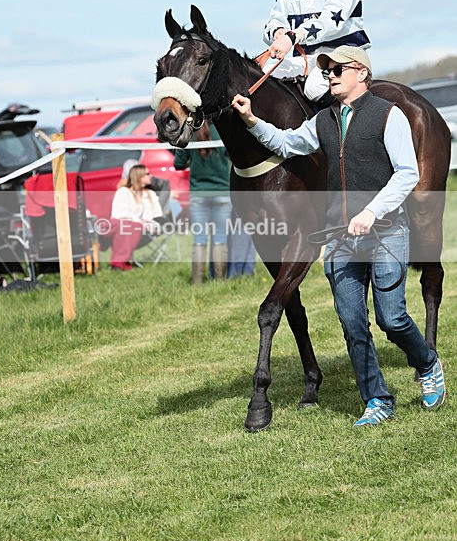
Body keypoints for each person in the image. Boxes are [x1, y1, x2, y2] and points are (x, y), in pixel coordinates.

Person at [231, 46, 446, 426]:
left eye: (336, 68)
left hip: (386, 231)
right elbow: (285, 143)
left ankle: (427, 363)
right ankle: (377, 399)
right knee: (351, 324)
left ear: (361, 73)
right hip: (341, 239)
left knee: (391, 319)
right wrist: (250, 120)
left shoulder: (389, 116)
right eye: (326, 68)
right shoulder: (323, 122)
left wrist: (371, 211)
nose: (328, 73)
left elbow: (407, 174)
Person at [174, 120, 232, 284]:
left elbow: (178, 164)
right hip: (222, 192)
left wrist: (192, 159)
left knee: (199, 239)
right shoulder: (223, 129)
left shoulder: (189, 132)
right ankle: (220, 281)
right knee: (220, 238)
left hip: (199, 194)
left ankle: (197, 281)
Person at [109, 164, 162, 271]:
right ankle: (119, 262)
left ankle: (118, 263)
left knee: (132, 227)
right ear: (139, 176)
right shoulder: (123, 192)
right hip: (120, 226)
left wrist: (152, 225)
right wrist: (140, 222)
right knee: (129, 226)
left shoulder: (151, 194)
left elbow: (158, 215)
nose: (150, 176)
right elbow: (120, 215)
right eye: (147, 174)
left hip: (142, 230)